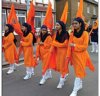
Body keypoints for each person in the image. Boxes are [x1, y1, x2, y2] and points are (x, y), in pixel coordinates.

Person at [66, 17, 95, 96]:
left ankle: (75, 90)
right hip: (74, 56)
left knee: (78, 73)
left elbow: (85, 47)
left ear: (80, 24)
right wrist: (68, 56)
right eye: (73, 24)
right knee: (78, 72)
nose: (74, 25)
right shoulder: (72, 34)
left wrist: (74, 45)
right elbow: (69, 45)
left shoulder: (85, 33)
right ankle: (80, 84)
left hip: (82, 56)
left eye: (76, 23)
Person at [43, 21, 69, 88]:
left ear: (61, 26)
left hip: (64, 53)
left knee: (63, 67)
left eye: (57, 25)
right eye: (56, 25)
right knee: (60, 66)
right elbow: (53, 42)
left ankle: (61, 82)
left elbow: (65, 44)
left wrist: (55, 44)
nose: (56, 26)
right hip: (58, 52)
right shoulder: (56, 33)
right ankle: (64, 75)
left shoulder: (66, 33)